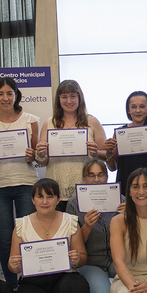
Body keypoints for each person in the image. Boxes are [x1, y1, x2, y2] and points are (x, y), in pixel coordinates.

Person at [9, 178, 90, 293]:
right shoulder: (22, 225)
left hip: (64, 278)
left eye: (50, 196)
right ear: (33, 200)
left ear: (58, 199)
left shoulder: (70, 221)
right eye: (40, 196)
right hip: (33, 283)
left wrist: (77, 259)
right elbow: (12, 264)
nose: (45, 201)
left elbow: (82, 257)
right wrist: (14, 265)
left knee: (78, 286)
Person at [0, 77, 39, 290]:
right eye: (0, 94)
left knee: (28, 235)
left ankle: (30, 283)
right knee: (5, 238)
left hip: (26, 184)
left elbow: (38, 156)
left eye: (9, 93)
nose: (5, 98)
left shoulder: (31, 121)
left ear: (16, 95)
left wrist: (33, 155)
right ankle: (12, 285)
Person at [66, 160, 125, 293]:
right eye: (91, 175)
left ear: (107, 177)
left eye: (100, 175)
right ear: (84, 178)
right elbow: (73, 245)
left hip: (117, 258)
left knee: (134, 276)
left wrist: (129, 219)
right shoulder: (73, 203)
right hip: (91, 261)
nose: (96, 179)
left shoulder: (120, 200)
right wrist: (87, 226)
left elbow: (133, 238)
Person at [37, 79, 107, 208]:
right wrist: (41, 154)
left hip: (85, 188)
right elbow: (43, 162)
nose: (69, 101)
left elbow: (107, 155)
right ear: (58, 99)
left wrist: (96, 152)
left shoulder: (92, 122)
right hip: (56, 188)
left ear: (79, 98)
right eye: (64, 97)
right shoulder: (49, 123)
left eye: (73, 96)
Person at [105, 91, 147, 188]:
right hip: (126, 185)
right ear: (128, 110)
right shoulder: (120, 132)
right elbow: (113, 168)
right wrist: (108, 152)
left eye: (142, 106)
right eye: (133, 107)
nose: (138, 110)